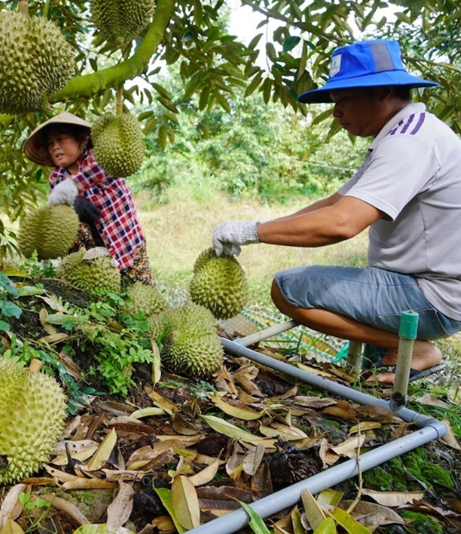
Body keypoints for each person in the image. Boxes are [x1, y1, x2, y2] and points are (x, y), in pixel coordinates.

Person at [211, 39, 461, 384]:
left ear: (383, 90)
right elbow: (334, 203)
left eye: (343, 100)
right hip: (412, 285)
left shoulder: (409, 143)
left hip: (428, 294)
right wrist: (258, 227)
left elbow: (342, 223)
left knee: (287, 289)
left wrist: (251, 232)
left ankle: (414, 349)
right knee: (378, 390)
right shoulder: (401, 134)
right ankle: (395, 374)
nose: (335, 112)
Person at [23, 111, 155, 285]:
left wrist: (72, 187)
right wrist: (70, 205)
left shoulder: (99, 157)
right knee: (67, 224)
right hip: (91, 253)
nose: (55, 147)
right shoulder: (56, 179)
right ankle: (77, 278)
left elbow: (101, 170)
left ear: (81, 138)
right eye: (50, 143)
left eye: (61, 138)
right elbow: (54, 216)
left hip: (124, 244)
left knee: (140, 292)